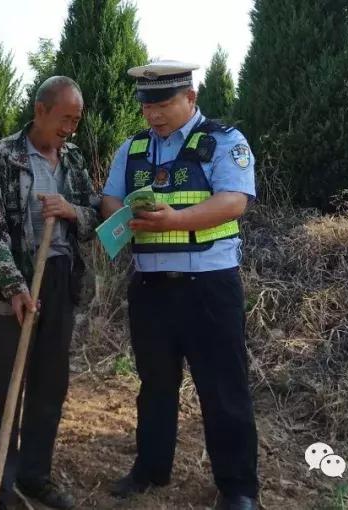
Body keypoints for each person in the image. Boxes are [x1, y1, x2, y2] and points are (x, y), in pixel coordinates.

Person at [100, 60, 260, 510]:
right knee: (154, 385)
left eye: (164, 103)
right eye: (147, 104)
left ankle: (238, 488)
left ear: (190, 97)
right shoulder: (131, 149)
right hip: (150, 287)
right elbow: (110, 196)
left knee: (223, 388)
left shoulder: (223, 141)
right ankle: (150, 469)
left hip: (208, 285)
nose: (153, 114)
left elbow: (234, 201)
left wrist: (176, 220)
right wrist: (121, 214)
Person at [0, 76, 98, 510]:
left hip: (60, 278)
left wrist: (70, 210)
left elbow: (94, 215)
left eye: (76, 121)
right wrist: (13, 286)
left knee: (50, 383)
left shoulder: (74, 160)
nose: (70, 129)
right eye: (65, 119)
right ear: (41, 111)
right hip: (18, 282)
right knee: (6, 387)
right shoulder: (3, 158)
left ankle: (34, 475)